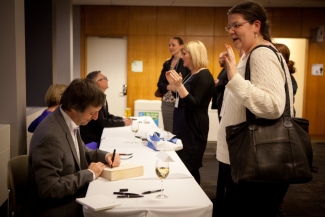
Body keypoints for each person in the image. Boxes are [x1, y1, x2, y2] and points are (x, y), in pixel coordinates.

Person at [215, 1, 294, 216]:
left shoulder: (262, 54)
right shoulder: (250, 54)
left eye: (236, 25)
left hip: (250, 159)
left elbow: (273, 106)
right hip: (241, 156)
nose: (231, 30)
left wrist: (233, 75)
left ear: (256, 26)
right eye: (228, 27)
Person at [26, 78, 120, 217]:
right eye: (92, 113)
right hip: (56, 208)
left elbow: (80, 151)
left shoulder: (68, 120)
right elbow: (49, 190)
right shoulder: (50, 136)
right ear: (74, 107)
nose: (95, 118)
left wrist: (106, 156)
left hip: (72, 196)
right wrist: (89, 174)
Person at [166, 40, 215, 184]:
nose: (182, 57)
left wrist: (179, 86)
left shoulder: (204, 76)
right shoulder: (191, 74)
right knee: (184, 166)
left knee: (190, 168)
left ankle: (195, 202)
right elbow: (183, 97)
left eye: (185, 53)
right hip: (184, 128)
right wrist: (176, 85)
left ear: (194, 55)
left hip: (193, 130)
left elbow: (193, 104)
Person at [80, 71, 132, 145]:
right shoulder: (94, 99)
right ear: (99, 82)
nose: (107, 80)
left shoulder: (102, 96)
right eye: (105, 78)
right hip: (93, 139)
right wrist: (123, 123)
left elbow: (107, 115)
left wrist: (121, 119)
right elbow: (103, 122)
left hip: (99, 135)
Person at [156, 37, 190, 133]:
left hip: (181, 102)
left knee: (180, 131)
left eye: (173, 45)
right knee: (168, 131)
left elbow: (188, 82)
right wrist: (169, 87)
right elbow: (160, 83)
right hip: (167, 102)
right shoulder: (167, 63)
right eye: (169, 45)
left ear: (181, 46)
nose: (171, 47)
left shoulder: (186, 63)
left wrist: (178, 87)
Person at [211, 51, 229, 121]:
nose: (219, 61)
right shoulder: (224, 70)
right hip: (220, 103)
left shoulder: (230, 70)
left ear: (226, 58)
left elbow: (232, 83)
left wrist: (219, 82)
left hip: (225, 103)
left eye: (221, 58)